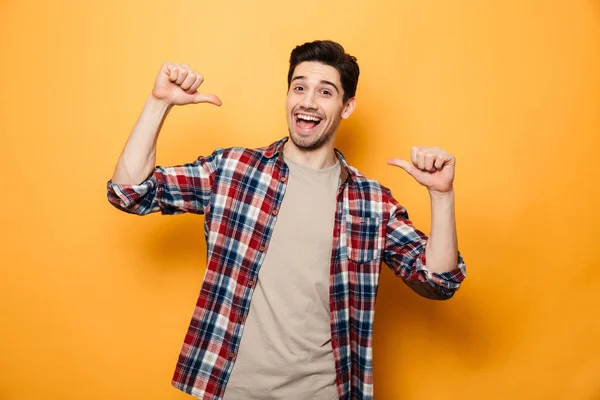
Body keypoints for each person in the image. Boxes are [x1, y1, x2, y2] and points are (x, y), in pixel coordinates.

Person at [107, 40, 466, 400]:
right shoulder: (234, 171)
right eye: (299, 87)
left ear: (347, 106)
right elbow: (130, 192)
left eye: (325, 92)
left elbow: (438, 280)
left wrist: (441, 195)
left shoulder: (371, 202)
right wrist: (159, 104)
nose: (308, 101)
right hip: (232, 390)